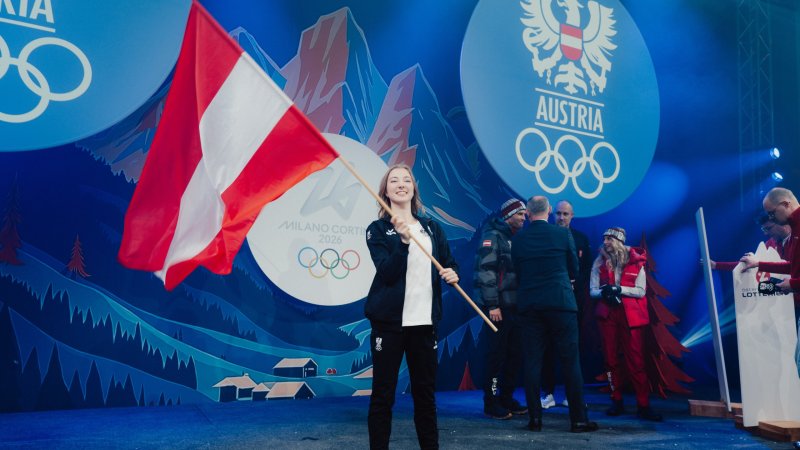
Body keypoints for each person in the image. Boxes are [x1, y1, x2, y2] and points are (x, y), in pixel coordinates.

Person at [364, 164, 459, 450]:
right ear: (386, 190)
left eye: (406, 179)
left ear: (414, 188)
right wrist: (403, 242)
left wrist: (453, 273)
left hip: (424, 324)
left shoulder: (431, 228)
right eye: (394, 180)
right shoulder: (377, 229)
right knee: (383, 394)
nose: (401, 184)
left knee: (425, 395)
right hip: (389, 325)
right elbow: (387, 273)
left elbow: (448, 262)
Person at [511, 196, 598, 433]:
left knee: (532, 362)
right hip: (560, 303)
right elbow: (574, 268)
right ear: (549, 211)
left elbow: (516, 271)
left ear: (528, 213)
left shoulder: (518, 239)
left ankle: (535, 420)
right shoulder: (562, 234)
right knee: (571, 361)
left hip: (530, 305)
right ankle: (579, 420)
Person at [590, 227, 662, 421]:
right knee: (610, 360)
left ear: (620, 242)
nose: (605, 243)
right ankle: (616, 399)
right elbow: (592, 290)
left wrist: (619, 289)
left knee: (636, 361)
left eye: (610, 239)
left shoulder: (636, 260)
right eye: (604, 238)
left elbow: (640, 290)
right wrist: (605, 292)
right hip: (609, 316)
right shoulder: (599, 262)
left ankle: (643, 404)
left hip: (631, 316)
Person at [473, 198, 528, 419]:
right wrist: (493, 304)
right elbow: (486, 272)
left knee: (514, 354)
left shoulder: (515, 238)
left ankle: (506, 397)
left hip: (515, 307)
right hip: (498, 309)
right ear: (509, 215)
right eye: (521, 214)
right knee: (496, 355)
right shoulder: (493, 237)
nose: (525, 218)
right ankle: (491, 401)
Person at [540, 200, 593, 409]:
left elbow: (586, 269)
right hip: (550, 301)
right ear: (553, 215)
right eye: (559, 214)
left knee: (572, 349)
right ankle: (549, 393)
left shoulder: (581, 239)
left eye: (566, 214)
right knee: (548, 349)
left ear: (572, 216)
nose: (561, 218)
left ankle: (572, 395)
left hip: (574, 303)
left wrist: (573, 283)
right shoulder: (546, 237)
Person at [710, 214, 791, 271]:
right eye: (763, 230)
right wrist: (716, 265)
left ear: (781, 223)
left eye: (768, 228)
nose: (765, 233)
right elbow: (750, 264)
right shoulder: (770, 244)